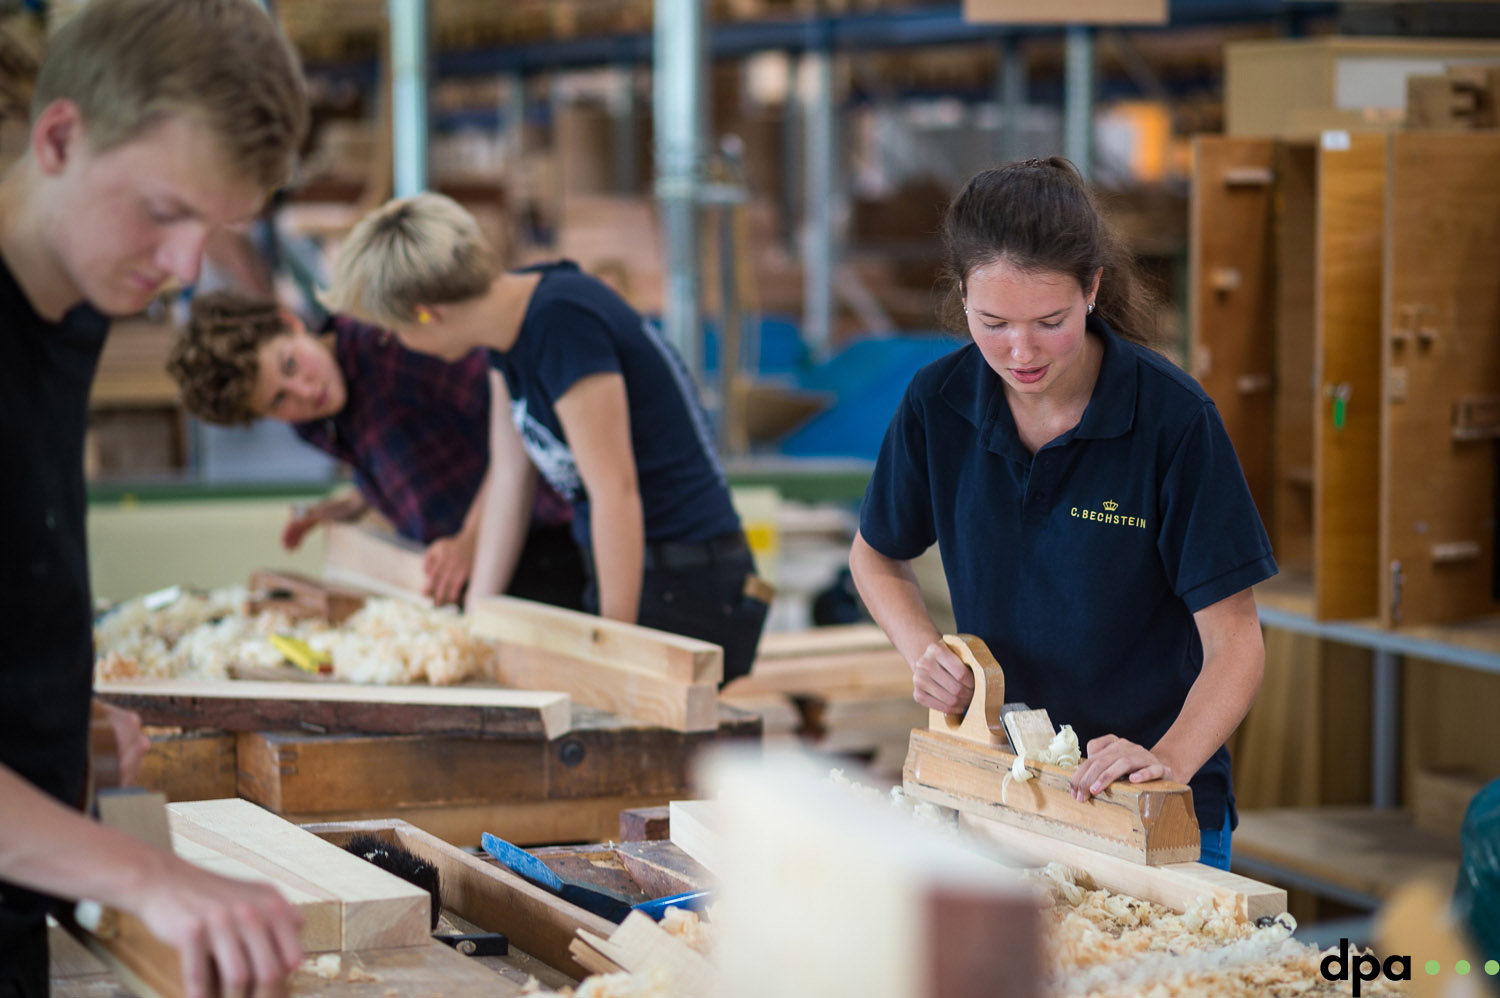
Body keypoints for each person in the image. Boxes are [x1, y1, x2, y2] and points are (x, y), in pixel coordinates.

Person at [0, 2, 309, 995]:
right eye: (166, 212)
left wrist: (46, 705)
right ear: (59, 137)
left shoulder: (75, 301)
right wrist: (152, 876)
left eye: (211, 229)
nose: (184, 268)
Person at [848, 158, 1274, 871]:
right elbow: (876, 556)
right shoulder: (938, 402)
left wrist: (1163, 761)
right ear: (960, 295)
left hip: (1151, 810)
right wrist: (927, 652)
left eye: (1050, 321)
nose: (1021, 352)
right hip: (1002, 795)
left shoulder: (1172, 421)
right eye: (993, 323)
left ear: (1093, 288)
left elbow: (1237, 644)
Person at [323, 193, 768, 683]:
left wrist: (610, 645)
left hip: (684, 579)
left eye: (393, 331)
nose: (398, 344)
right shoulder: (504, 338)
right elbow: (510, 480)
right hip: (629, 571)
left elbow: (614, 491)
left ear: (427, 313)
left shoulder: (562, 321)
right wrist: (474, 621)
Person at [167, 290, 587, 609]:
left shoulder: (393, 346)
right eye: (278, 400)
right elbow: (406, 463)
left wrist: (470, 538)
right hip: (462, 573)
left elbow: (524, 421)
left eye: (290, 364)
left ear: (290, 322)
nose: (304, 392)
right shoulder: (312, 423)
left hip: (549, 545)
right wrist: (354, 504)